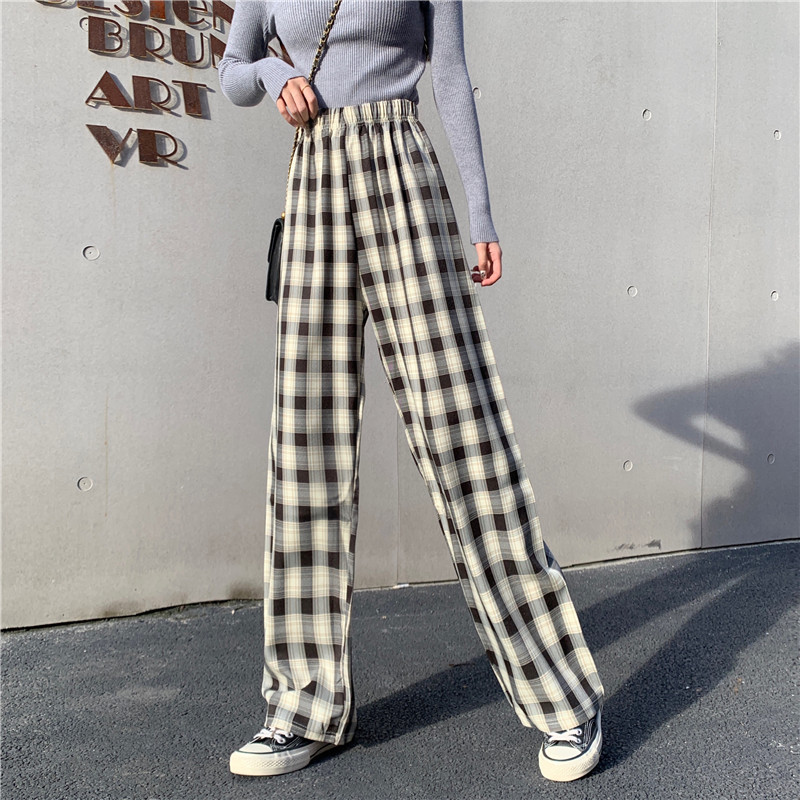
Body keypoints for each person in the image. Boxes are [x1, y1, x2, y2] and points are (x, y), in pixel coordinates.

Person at [218, 0, 605, 783]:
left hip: (402, 168)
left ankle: (562, 694)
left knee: (464, 432)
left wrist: (482, 213)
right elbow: (231, 72)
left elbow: (451, 73)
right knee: (306, 443)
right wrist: (272, 73)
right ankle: (305, 706)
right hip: (314, 175)